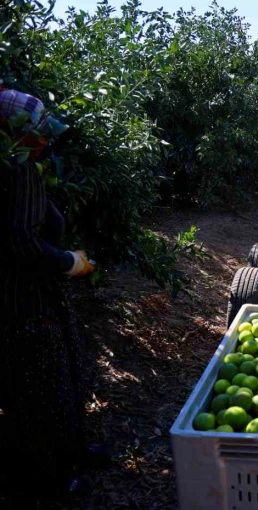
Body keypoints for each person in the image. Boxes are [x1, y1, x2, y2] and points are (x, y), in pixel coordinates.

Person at [0, 89, 96, 504]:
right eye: (36, 135)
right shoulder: (17, 171)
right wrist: (68, 262)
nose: (44, 141)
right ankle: (50, 479)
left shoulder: (25, 166)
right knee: (39, 386)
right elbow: (20, 242)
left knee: (61, 370)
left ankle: (71, 453)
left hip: (35, 293)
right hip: (21, 299)